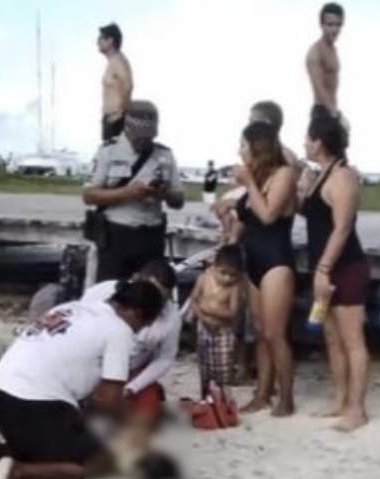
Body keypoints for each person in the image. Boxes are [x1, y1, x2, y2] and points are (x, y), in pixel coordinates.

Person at [0, 280, 166, 479]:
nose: (139, 332)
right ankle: (19, 472)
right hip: (37, 405)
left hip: (0, 396)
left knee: (48, 443)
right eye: (143, 325)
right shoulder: (119, 330)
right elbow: (107, 400)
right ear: (137, 313)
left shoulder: (72, 307)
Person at [215, 122, 298, 416]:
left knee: (276, 334)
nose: (239, 151)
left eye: (243, 145)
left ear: (257, 146)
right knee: (261, 333)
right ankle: (262, 394)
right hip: (253, 260)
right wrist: (227, 215)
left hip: (277, 262)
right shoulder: (256, 179)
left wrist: (248, 182)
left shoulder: (284, 174)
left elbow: (269, 215)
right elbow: (246, 222)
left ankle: (286, 398)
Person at [302, 114, 371, 432]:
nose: (303, 143)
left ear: (318, 142)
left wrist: (323, 269)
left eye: (307, 137)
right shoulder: (320, 174)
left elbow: (342, 228)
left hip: (344, 267)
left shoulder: (342, 176)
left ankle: (357, 410)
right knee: (332, 339)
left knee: (352, 340)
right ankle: (341, 401)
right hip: (325, 269)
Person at [82, 100, 185, 282]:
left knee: (149, 292)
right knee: (110, 291)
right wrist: (127, 193)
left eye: (148, 137)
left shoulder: (165, 154)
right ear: (127, 129)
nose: (144, 141)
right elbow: (89, 196)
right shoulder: (108, 151)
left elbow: (179, 201)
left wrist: (162, 193)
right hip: (117, 235)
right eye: (139, 137)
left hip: (152, 236)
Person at [81, 259, 181, 436]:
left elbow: (165, 358)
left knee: (147, 419)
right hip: (92, 365)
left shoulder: (171, 317)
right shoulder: (102, 292)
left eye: (161, 298)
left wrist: (131, 388)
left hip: (132, 371)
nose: (153, 301)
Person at [189, 244, 245, 398]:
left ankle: (223, 402)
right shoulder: (203, 279)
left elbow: (233, 313)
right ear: (214, 267)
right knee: (204, 366)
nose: (227, 278)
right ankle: (206, 400)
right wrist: (203, 317)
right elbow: (194, 300)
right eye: (223, 273)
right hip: (203, 329)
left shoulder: (234, 287)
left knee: (223, 369)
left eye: (232, 275)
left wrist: (210, 310)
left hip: (223, 333)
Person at [306, 3, 345, 122]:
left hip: (332, 111)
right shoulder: (315, 52)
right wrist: (335, 115)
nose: (334, 29)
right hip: (322, 113)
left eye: (338, 25)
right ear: (321, 25)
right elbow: (319, 87)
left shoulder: (333, 50)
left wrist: (336, 113)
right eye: (330, 25)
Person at [97, 23, 133, 141]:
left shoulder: (118, 60)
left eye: (101, 38)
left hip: (116, 121)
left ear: (111, 40)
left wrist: (120, 113)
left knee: (114, 157)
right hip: (110, 119)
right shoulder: (112, 62)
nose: (98, 42)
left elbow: (128, 85)